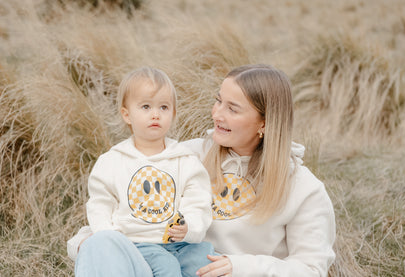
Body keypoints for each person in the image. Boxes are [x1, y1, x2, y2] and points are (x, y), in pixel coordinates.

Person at [68, 64, 336, 276]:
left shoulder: (304, 189)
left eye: (232, 109)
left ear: (264, 124)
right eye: (218, 101)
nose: (217, 114)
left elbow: (311, 269)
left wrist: (240, 267)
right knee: (100, 245)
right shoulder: (186, 155)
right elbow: (124, 213)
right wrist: (86, 242)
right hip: (161, 266)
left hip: (222, 272)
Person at [72, 67, 214, 277]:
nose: (155, 114)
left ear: (173, 114)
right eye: (146, 106)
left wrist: (189, 226)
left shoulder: (185, 161)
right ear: (127, 114)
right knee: (166, 266)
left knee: (206, 257)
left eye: (164, 107)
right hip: (135, 243)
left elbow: (198, 202)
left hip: (177, 242)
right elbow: (100, 203)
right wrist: (110, 237)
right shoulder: (112, 161)